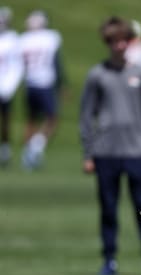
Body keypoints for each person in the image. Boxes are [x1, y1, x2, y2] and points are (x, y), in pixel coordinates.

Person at [79, 16, 141, 275]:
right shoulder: (97, 75)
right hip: (106, 152)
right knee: (108, 209)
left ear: (129, 41)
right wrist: (88, 152)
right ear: (107, 42)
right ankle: (109, 260)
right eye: (113, 41)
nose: (119, 46)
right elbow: (87, 115)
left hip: (136, 152)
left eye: (123, 40)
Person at [19, 10, 64, 170]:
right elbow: (57, 62)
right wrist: (62, 84)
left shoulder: (23, 40)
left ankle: (27, 153)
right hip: (45, 83)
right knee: (52, 119)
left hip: (29, 84)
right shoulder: (50, 38)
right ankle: (35, 148)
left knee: (31, 120)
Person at [0, 6, 23, 167]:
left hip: (5, 86)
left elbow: (17, 66)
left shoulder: (13, 39)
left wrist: (9, 86)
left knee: (5, 120)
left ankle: (5, 149)